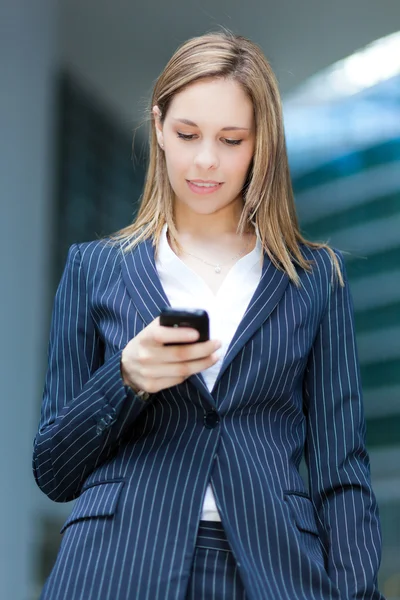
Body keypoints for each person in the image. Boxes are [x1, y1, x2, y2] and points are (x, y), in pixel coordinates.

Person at [33, 30, 385, 600]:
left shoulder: (317, 280)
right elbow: (53, 469)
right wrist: (125, 378)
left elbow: (341, 475)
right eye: (187, 134)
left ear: (260, 143)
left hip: (274, 569)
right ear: (158, 129)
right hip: (117, 566)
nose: (205, 160)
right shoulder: (95, 269)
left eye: (231, 139)